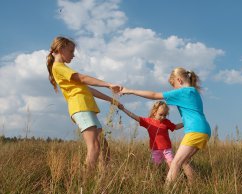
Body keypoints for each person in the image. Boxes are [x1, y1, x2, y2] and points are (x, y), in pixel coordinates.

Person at [119, 67, 211, 184]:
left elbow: (153, 94)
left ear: (179, 80)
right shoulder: (194, 92)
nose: (173, 89)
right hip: (204, 130)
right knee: (184, 161)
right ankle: (195, 187)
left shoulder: (183, 92)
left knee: (175, 163)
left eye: (173, 85)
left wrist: (129, 90)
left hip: (195, 130)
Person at [46, 36, 122, 171]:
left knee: (104, 148)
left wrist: (112, 100)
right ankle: (86, 183)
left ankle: (102, 180)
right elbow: (83, 78)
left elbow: (89, 89)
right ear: (60, 49)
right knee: (94, 146)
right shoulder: (59, 67)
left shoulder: (63, 69)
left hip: (87, 108)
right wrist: (108, 84)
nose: (73, 55)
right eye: (71, 51)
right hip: (80, 107)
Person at [118, 101, 183, 169]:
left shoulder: (166, 122)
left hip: (167, 149)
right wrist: (123, 109)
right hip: (155, 149)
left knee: (171, 164)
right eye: (161, 114)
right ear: (154, 113)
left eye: (165, 115)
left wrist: (185, 123)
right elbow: (134, 116)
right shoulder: (148, 122)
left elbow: (175, 127)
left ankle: (170, 179)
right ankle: (157, 178)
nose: (163, 117)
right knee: (156, 167)